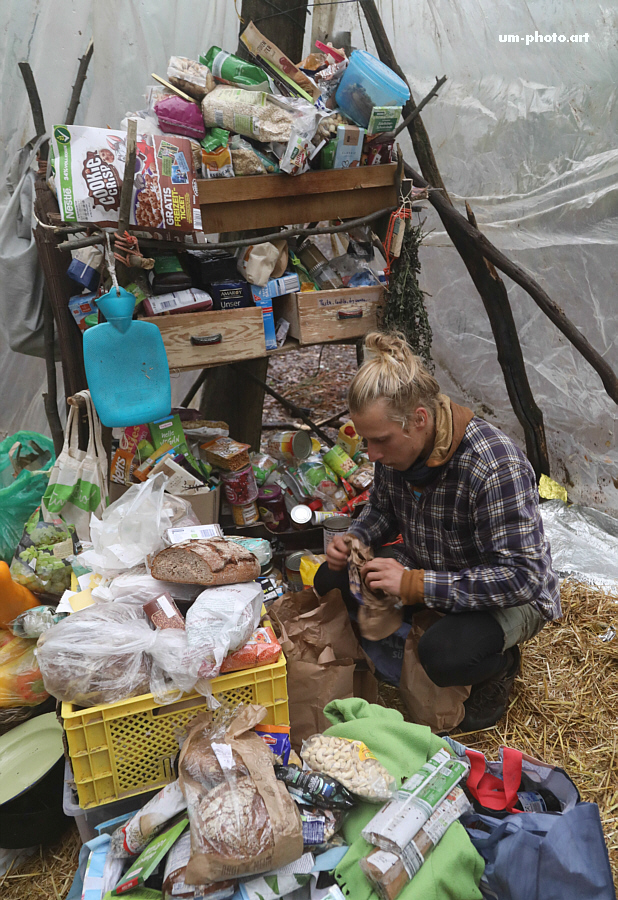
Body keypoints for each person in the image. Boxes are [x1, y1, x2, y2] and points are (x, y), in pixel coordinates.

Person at [314, 331, 560, 730]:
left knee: (447, 655)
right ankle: (407, 640)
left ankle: (498, 668)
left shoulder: (493, 466)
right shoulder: (396, 451)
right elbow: (381, 509)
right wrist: (357, 537)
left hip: (507, 596)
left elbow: (522, 578)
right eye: (366, 441)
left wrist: (415, 585)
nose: (371, 455)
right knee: (333, 578)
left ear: (420, 420)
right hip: (431, 567)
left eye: (379, 441)